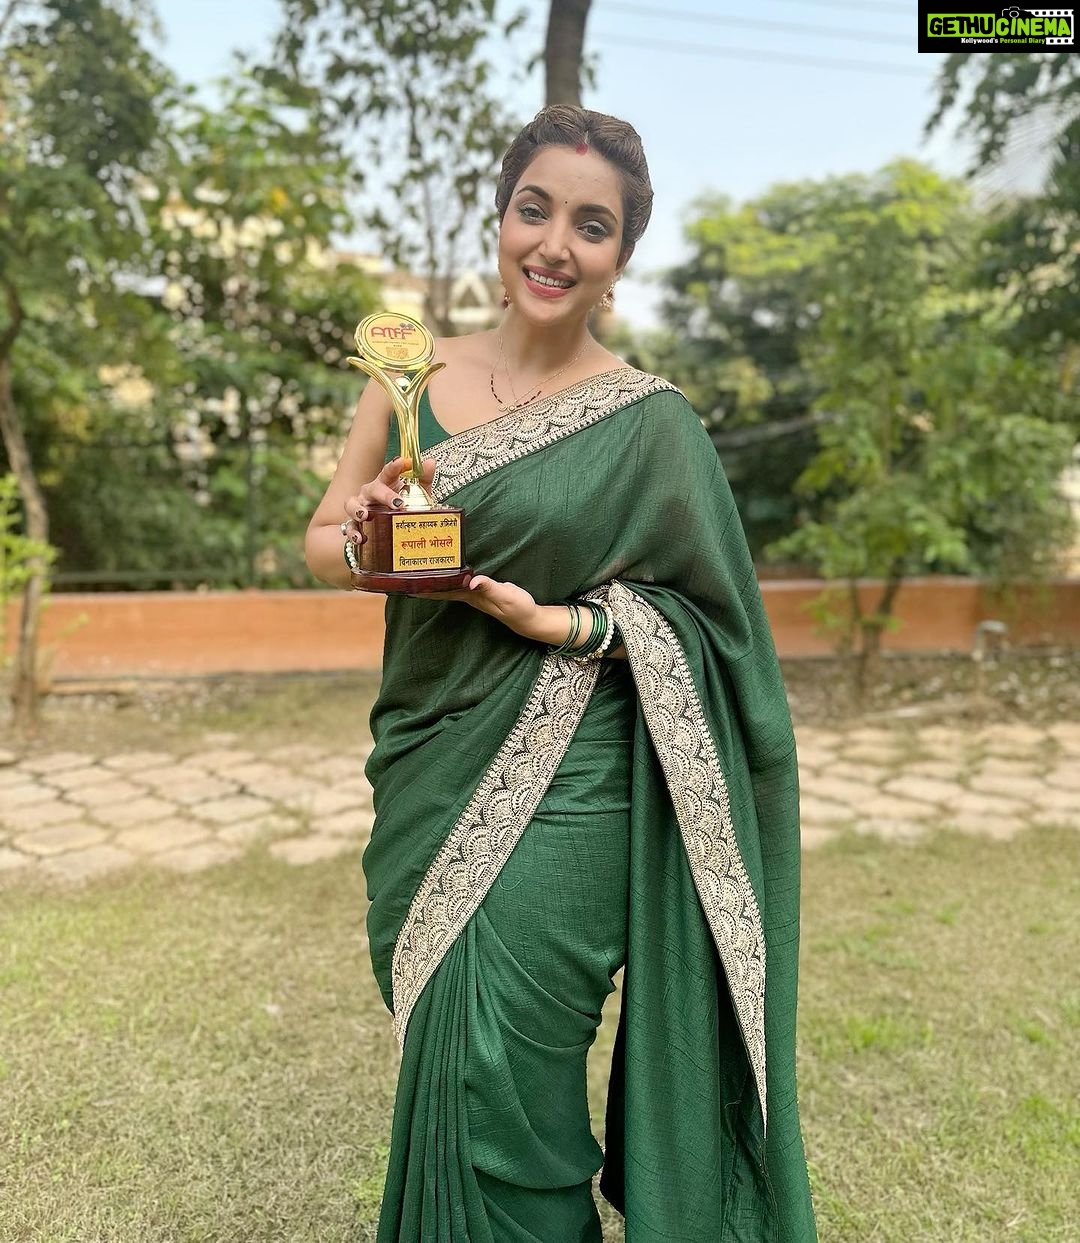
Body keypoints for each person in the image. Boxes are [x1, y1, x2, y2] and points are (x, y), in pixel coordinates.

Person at [306, 105, 817, 1243]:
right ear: (500, 219)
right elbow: (322, 539)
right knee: (449, 1044)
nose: (554, 244)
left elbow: (717, 625)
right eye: (534, 210)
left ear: (620, 259)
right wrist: (369, 532)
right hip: (429, 755)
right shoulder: (410, 377)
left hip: (580, 779)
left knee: (508, 1082)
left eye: (592, 226)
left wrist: (564, 622)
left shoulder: (651, 424)